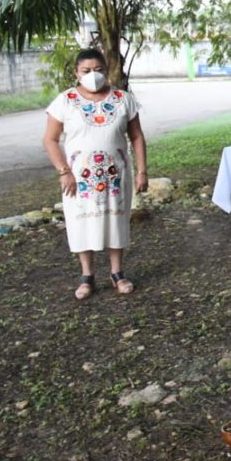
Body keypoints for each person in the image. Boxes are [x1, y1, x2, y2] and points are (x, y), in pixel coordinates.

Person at [43, 48, 147, 299]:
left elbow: (136, 136)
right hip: (79, 178)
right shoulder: (65, 100)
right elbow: (50, 139)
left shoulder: (123, 99)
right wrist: (63, 171)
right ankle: (86, 276)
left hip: (116, 173)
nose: (93, 75)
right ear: (76, 73)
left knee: (116, 220)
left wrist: (143, 171)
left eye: (99, 70)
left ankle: (117, 273)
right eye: (86, 71)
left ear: (107, 70)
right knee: (81, 221)